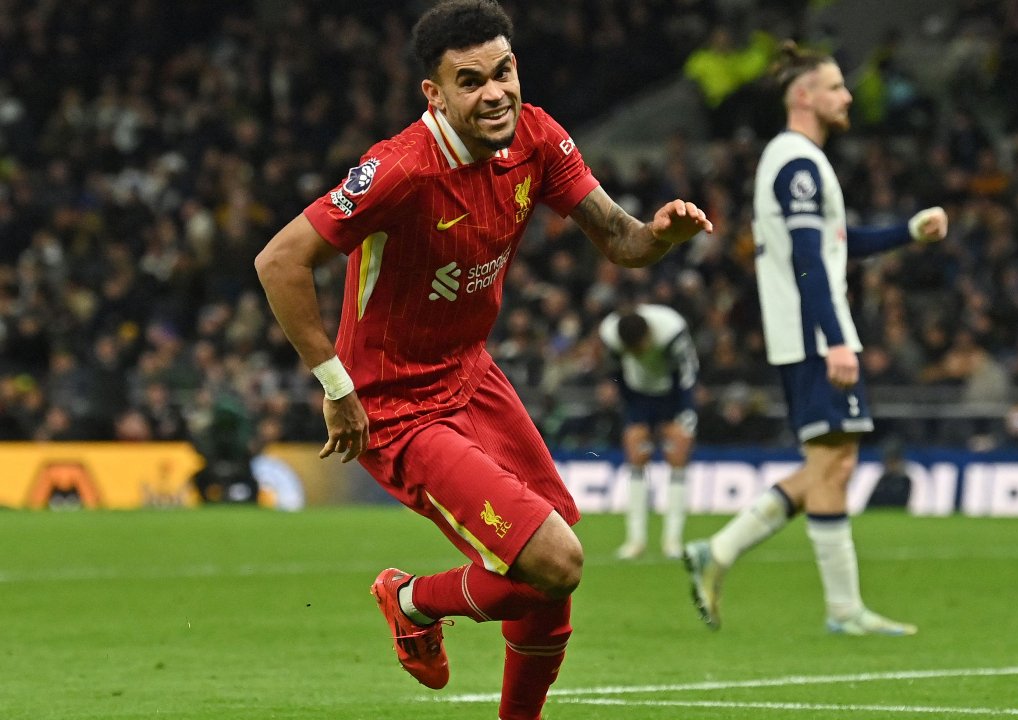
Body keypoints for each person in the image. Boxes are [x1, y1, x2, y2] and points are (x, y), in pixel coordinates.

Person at [253, 3, 712, 718]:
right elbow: (280, 260)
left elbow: (620, 240)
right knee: (553, 562)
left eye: (504, 71)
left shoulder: (536, 135)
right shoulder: (399, 169)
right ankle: (408, 599)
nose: (495, 92)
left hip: (472, 377)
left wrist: (660, 236)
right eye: (470, 81)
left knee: (550, 583)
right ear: (434, 94)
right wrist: (335, 384)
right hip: (398, 406)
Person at [682, 42, 947, 637]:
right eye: (835, 87)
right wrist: (834, 339)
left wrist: (907, 232)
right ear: (804, 96)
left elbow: (834, 243)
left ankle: (718, 552)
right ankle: (843, 609)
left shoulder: (799, 160)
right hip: (811, 335)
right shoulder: (797, 162)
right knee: (833, 466)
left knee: (834, 462)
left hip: (807, 332)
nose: (847, 96)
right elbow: (808, 258)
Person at [598, 304, 699, 559]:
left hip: (672, 397)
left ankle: (672, 540)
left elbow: (688, 373)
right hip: (638, 398)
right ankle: (635, 540)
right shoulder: (610, 333)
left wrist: (686, 412)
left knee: (677, 458)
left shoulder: (672, 331)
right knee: (636, 458)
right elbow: (615, 370)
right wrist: (627, 406)